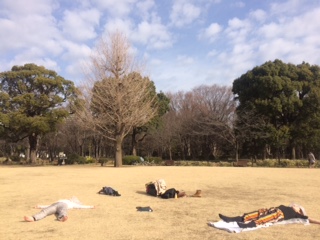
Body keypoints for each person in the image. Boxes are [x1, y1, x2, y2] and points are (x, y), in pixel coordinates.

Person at [218, 203, 320, 228]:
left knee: (263, 219)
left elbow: (309, 219)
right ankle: (230, 219)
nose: (295, 205)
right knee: (253, 214)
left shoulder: (297, 215)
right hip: (272, 210)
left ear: (300, 212)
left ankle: (246, 225)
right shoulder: (286, 206)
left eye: (297, 206)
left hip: (278, 214)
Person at [24, 196, 94, 222]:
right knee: (45, 211)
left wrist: (90, 206)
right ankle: (33, 218)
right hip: (55, 205)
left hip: (63, 205)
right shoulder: (62, 200)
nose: (70, 198)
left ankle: (62, 217)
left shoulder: (72, 203)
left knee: (63, 211)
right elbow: (49, 205)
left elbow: (80, 207)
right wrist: (40, 206)